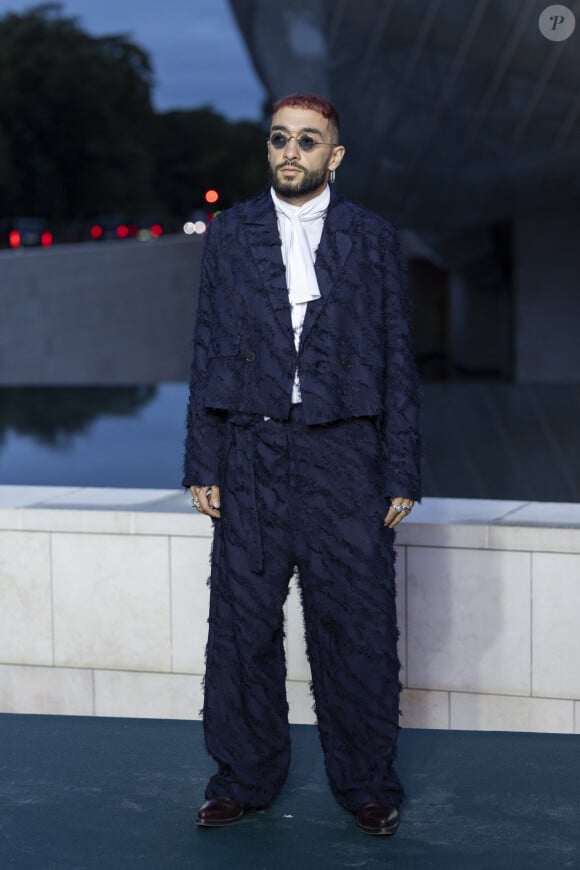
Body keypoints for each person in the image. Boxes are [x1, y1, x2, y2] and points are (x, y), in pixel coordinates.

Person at [183, 93, 421, 836]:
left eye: (308, 141)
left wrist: (400, 469)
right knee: (241, 628)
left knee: (356, 628)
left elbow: (397, 357)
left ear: (334, 156)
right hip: (251, 451)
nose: (291, 151)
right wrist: (204, 459)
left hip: (345, 453)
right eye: (280, 139)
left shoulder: (372, 238)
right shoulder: (230, 234)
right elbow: (207, 345)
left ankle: (368, 784)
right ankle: (242, 778)